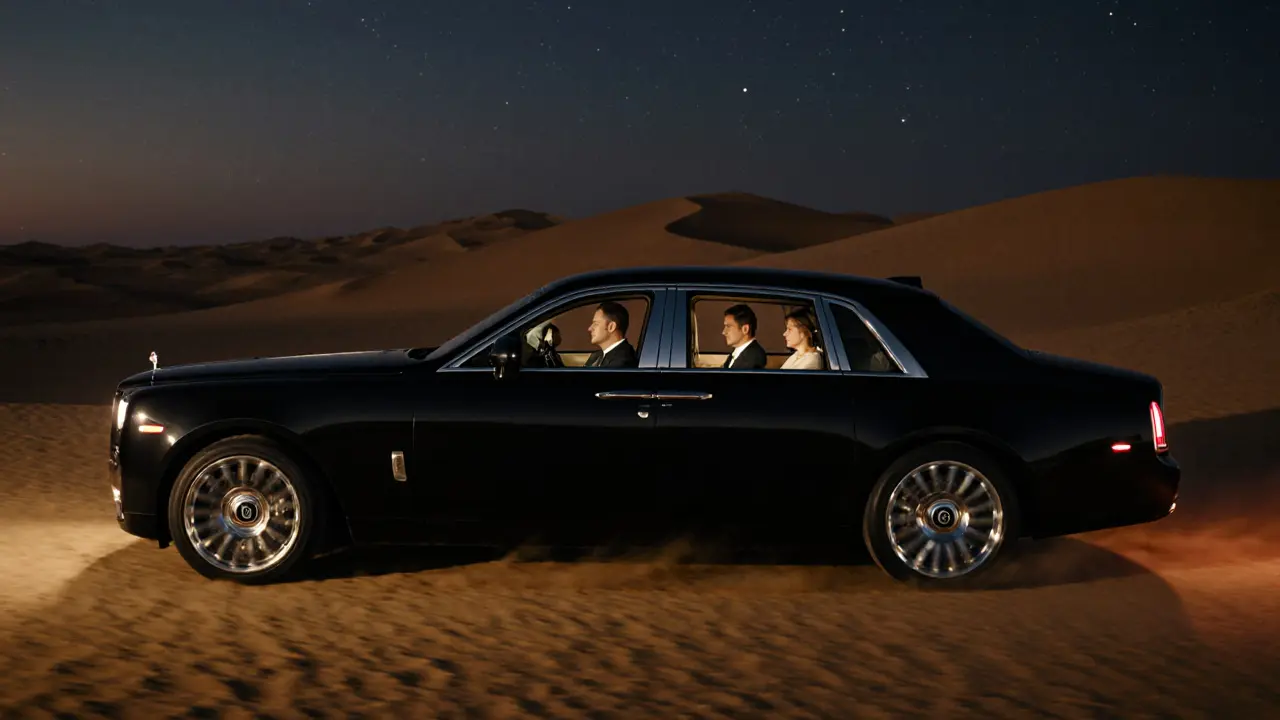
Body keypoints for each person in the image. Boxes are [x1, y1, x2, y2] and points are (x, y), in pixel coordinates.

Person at [584, 301, 638, 368]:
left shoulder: (623, 361)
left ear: (611, 327)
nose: (590, 328)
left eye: (596, 324)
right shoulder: (596, 356)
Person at [721, 303, 767, 369]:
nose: (724, 332)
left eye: (728, 326)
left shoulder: (753, 357)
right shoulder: (739, 351)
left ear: (745, 329)